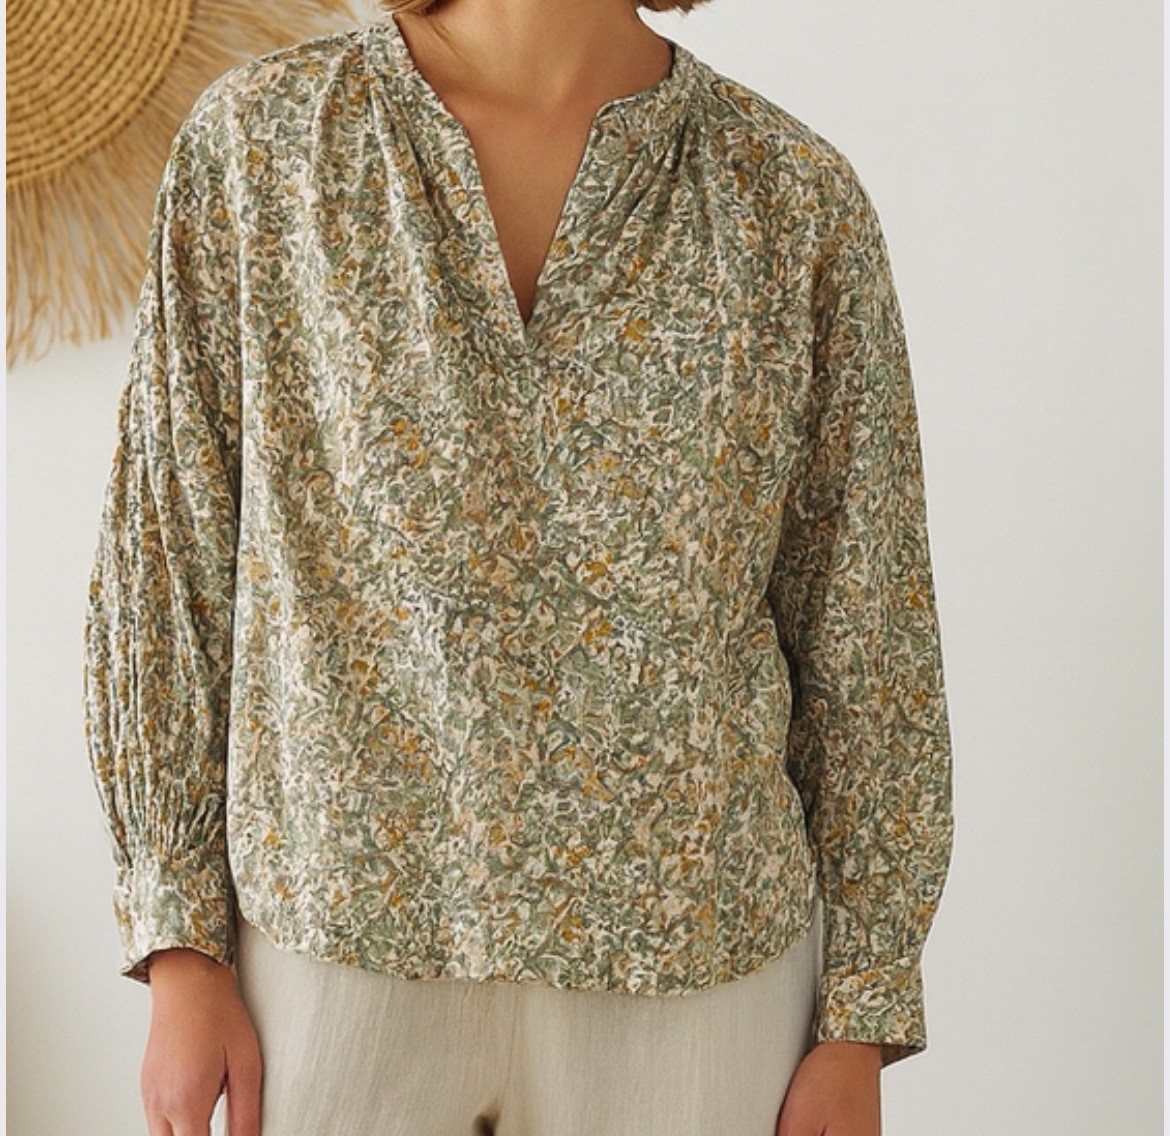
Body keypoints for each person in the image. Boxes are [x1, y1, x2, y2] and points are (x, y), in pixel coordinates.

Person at [81, 1, 955, 1134]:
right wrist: (180, 944)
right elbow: (168, 555)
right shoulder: (267, 145)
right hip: (334, 957)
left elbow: (868, 619)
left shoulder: (789, 197)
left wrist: (862, 1014)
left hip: (701, 982)